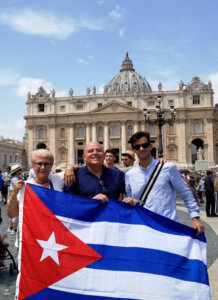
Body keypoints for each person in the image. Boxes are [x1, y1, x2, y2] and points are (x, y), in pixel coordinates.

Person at [123, 131, 204, 235]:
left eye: (144, 145)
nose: (141, 149)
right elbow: (129, 196)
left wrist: (195, 217)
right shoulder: (130, 174)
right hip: (142, 226)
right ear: (133, 150)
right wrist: (127, 200)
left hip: (167, 226)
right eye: (137, 147)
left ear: (150, 146)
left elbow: (185, 193)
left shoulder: (168, 168)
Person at [7, 149, 65, 222]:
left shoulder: (58, 179)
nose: (43, 167)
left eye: (46, 164)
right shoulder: (25, 186)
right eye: (39, 164)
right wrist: (14, 193)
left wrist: (70, 168)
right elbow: (11, 214)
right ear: (33, 165)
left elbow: (79, 171)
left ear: (51, 166)